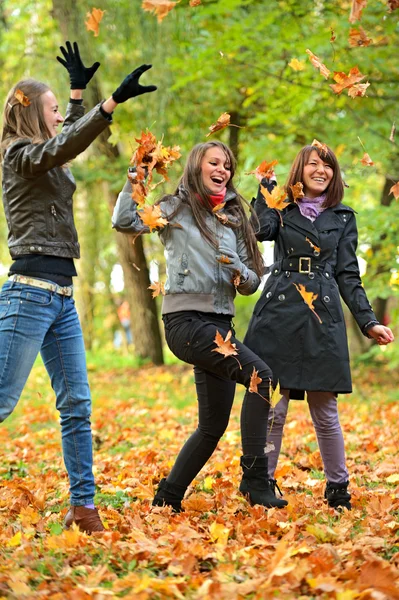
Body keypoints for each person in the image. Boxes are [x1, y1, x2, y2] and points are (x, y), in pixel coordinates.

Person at [0, 41, 156, 533]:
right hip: (28, 293)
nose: (58, 118)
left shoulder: (41, 153)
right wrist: (107, 105)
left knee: (77, 406)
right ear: (30, 116)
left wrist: (72, 95)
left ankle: (83, 508)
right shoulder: (16, 155)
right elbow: (60, 145)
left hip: (61, 296)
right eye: (50, 110)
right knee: (3, 401)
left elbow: (64, 137)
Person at [112, 141, 288, 512]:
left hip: (220, 325)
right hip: (185, 321)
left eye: (227, 165)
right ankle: (256, 480)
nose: (222, 169)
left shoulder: (233, 219)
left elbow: (251, 281)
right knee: (260, 376)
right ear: (197, 165)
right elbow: (124, 221)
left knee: (212, 426)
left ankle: (168, 497)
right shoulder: (175, 208)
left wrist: (239, 273)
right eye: (214, 162)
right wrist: (135, 180)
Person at [243, 143, 394, 510]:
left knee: (325, 409)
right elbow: (260, 232)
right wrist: (267, 192)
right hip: (279, 310)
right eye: (313, 164)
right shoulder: (281, 208)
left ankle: (338, 487)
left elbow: (348, 275)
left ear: (334, 174)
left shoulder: (343, 217)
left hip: (322, 316)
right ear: (301, 169)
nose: (321, 170)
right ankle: (262, 484)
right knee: (273, 409)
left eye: (327, 166)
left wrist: (368, 320)